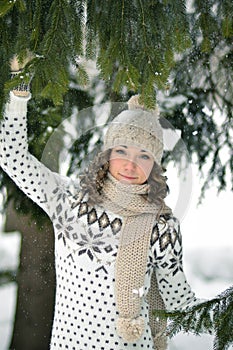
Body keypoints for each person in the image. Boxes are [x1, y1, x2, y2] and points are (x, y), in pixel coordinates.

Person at [0, 56, 201, 350]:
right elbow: (11, 157)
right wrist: (19, 91)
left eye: (144, 155)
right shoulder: (68, 200)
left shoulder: (162, 225)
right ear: (107, 153)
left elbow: (177, 301)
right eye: (122, 150)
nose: (131, 164)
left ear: (155, 164)